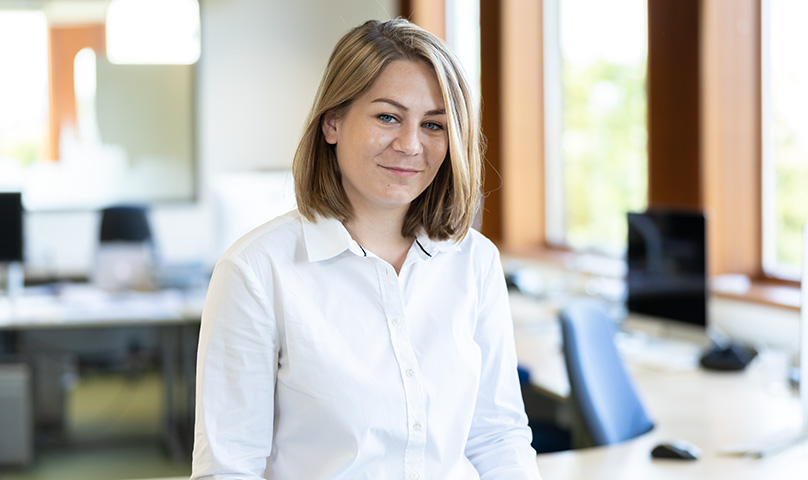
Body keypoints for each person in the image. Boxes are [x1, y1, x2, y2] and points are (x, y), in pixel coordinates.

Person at [191, 18, 542, 480]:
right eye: (388, 117)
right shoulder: (256, 271)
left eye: (434, 124)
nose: (411, 144)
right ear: (332, 122)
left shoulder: (474, 260)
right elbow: (229, 468)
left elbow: (498, 437)